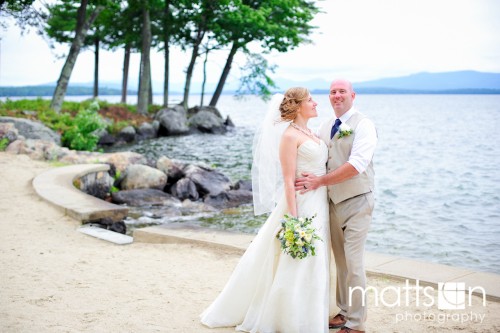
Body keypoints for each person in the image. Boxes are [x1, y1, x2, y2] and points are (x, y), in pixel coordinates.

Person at [200, 87, 334, 332]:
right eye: (311, 100)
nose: (316, 103)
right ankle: (291, 318)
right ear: (298, 106)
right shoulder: (290, 136)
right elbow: (287, 179)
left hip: (320, 201)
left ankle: (313, 313)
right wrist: (294, 220)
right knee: (300, 258)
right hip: (301, 204)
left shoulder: (312, 133)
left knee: (318, 257)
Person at [295, 79, 377, 333]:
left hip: (357, 201)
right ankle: (343, 312)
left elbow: (357, 165)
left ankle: (356, 323)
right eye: (333, 92)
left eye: (342, 91)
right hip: (331, 203)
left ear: (353, 95)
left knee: (353, 264)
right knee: (340, 262)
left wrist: (319, 181)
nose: (337, 95)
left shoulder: (364, 125)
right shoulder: (326, 125)